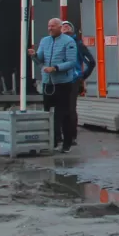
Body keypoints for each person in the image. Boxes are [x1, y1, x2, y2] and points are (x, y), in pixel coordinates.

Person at [32, 17, 80, 152]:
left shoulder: (69, 42)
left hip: (63, 83)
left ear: (60, 27)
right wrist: (34, 55)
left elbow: (71, 62)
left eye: (53, 26)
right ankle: (52, 141)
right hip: (48, 83)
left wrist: (55, 68)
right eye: (49, 26)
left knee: (64, 114)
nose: (50, 28)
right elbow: (40, 59)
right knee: (48, 113)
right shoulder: (44, 41)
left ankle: (67, 143)